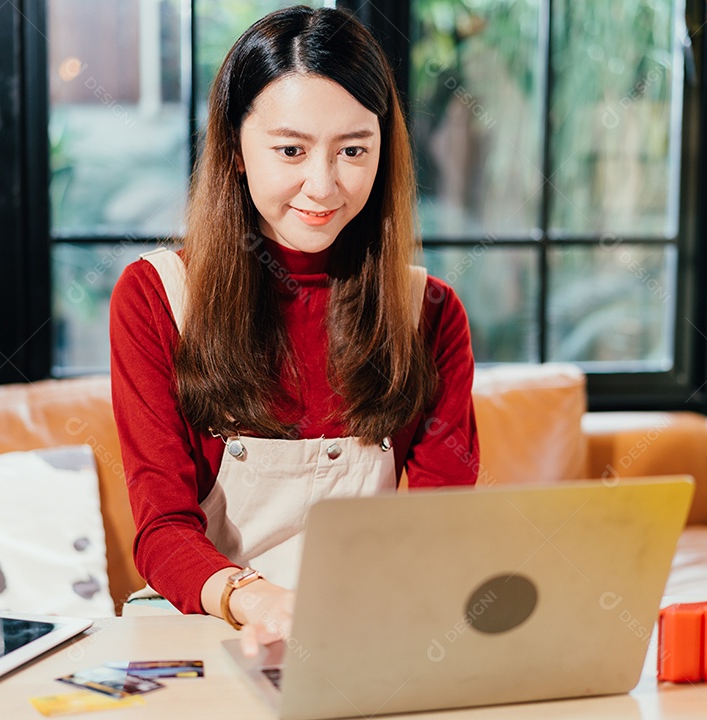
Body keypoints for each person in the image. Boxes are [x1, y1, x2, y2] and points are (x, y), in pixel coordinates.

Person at [109, 5, 479, 654]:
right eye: (290, 150)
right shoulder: (154, 297)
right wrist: (256, 600)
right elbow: (162, 529)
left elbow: (442, 526)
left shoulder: (432, 312)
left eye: (353, 150)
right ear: (236, 150)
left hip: (365, 636)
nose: (323, 185)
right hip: (211, 628)